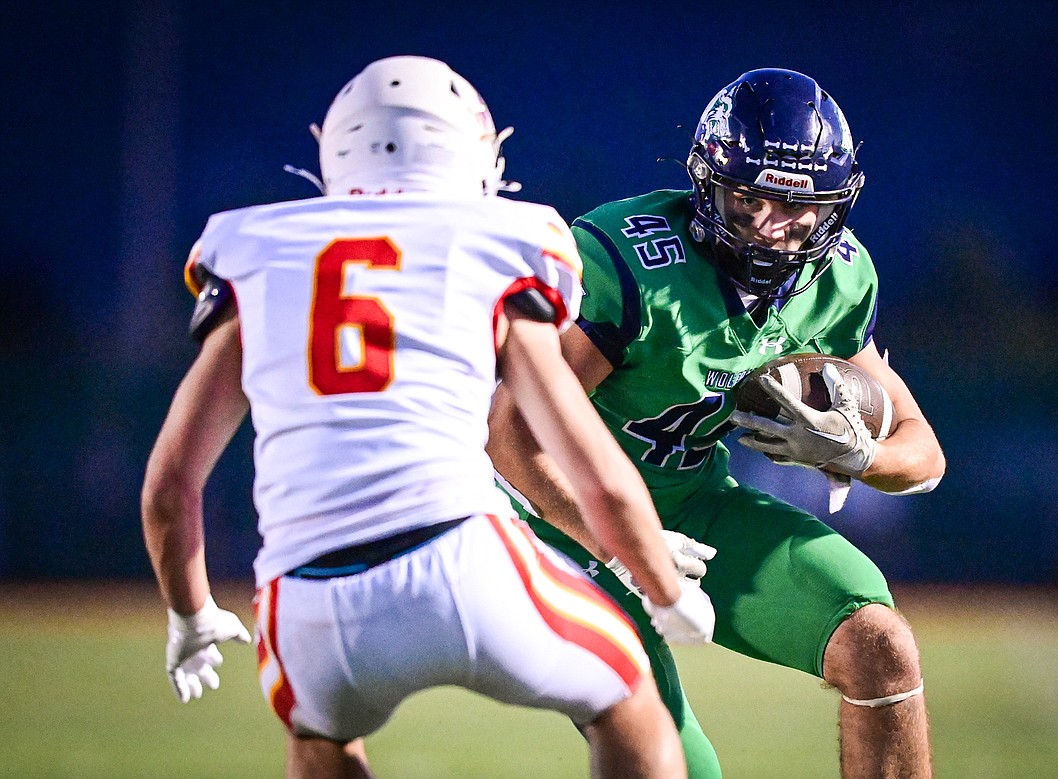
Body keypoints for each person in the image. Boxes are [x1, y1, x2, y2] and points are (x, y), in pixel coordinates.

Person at [140, 55, 716, 779]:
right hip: (459, 557)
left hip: (305, 592)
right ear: (472, 150)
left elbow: (168, 487)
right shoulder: (500, 237)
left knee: (319, 737)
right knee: (629, 692)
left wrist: (191, 614)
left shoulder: (258, 249)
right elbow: (589, 460)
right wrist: (661, 586)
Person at [487, 68, 946, 778]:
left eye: (799, 208)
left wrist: (856, 453)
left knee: (880, 645)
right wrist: (617, 539)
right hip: (559, 525)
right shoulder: (631, 261)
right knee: (679, 765)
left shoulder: (840, 280)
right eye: (749, 199)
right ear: (707, 184)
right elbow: (510, 431)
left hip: (694, 504)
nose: (773, 227)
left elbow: (922, 453)